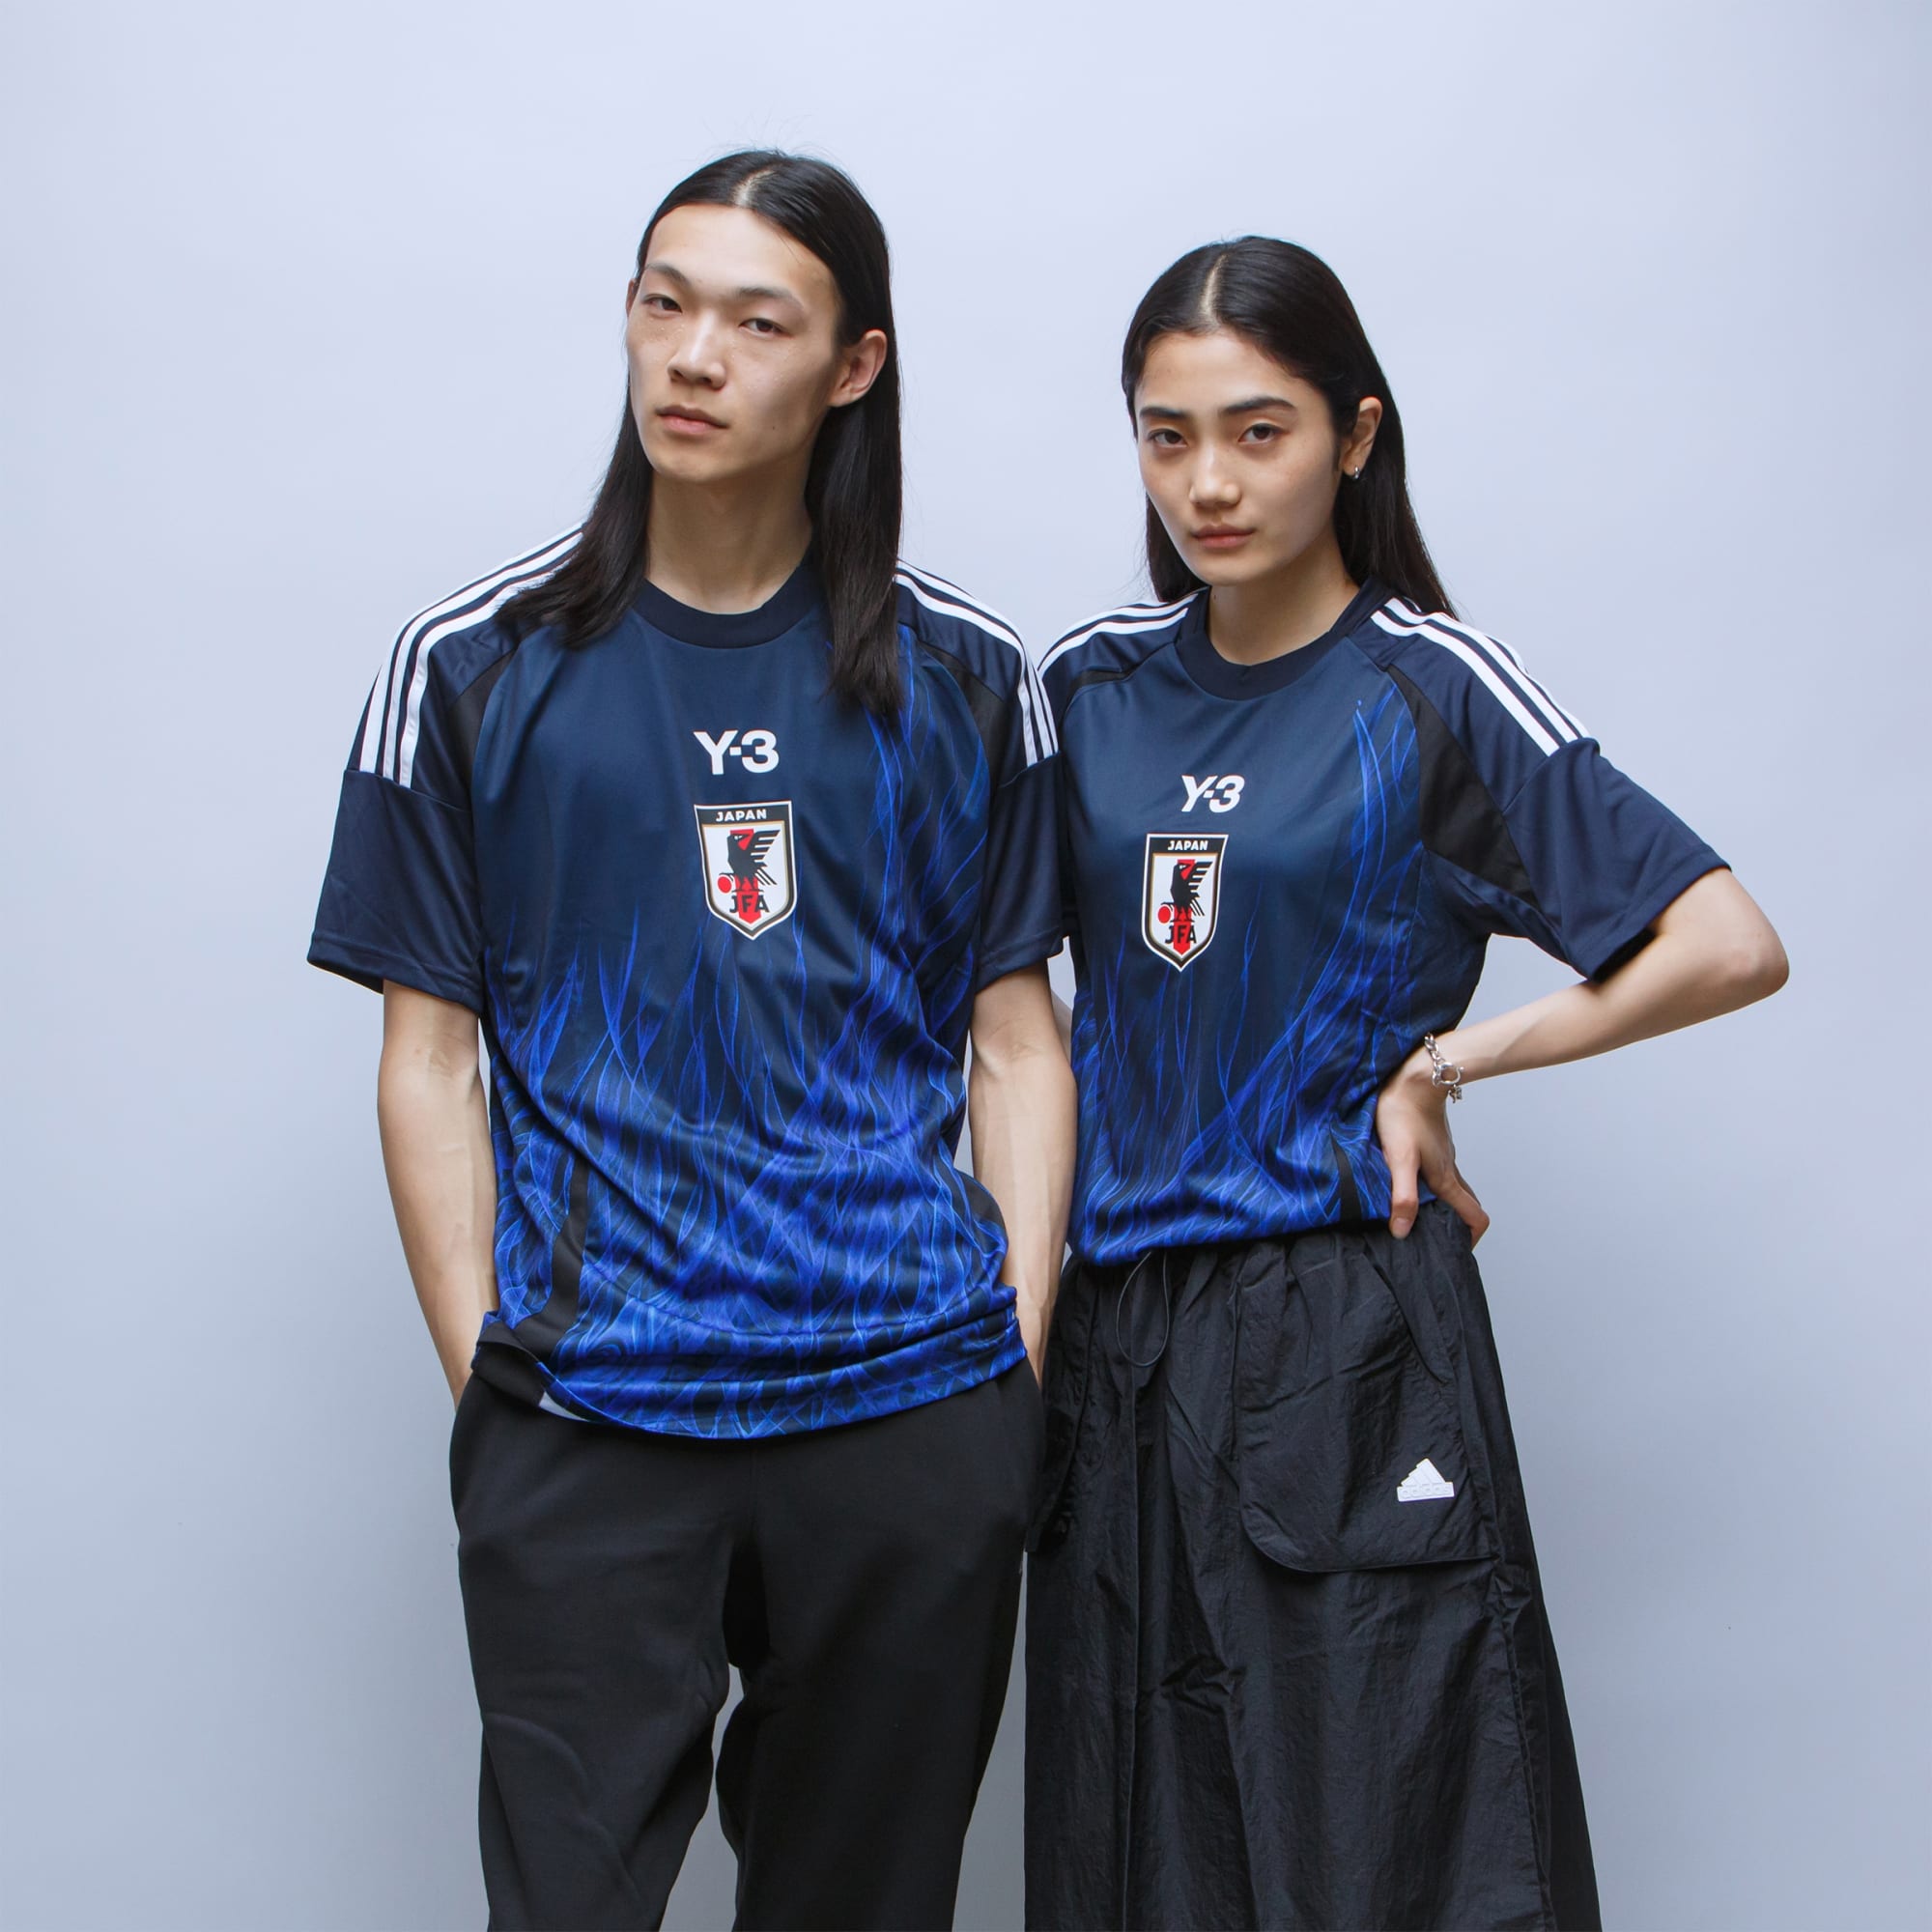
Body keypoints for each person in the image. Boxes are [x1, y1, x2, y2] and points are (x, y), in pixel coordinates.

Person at [307, 150, 1074, 1932]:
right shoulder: (473, 666)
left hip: (907, 1406)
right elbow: (431, 1061)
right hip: (591, 1413)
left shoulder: (970, 679)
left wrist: (1011, 1372)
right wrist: (493, 1380)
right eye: (664, 303)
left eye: (756, 320)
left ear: (856, 366)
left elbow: (1019, 1048)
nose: (694, 355)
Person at [1026, 237, 1787, 1931]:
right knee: (1129, 1862)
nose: (1209, 484)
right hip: (1117, 1343)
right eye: (1167, 437)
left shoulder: (1428, 685)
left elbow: (1727, 941)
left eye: (1260, 431)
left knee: (1394, 1862)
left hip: (1341, 1339)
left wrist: (1447, 1061)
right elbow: (1004, 1006)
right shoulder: (1088, 690)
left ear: (1355, 434)